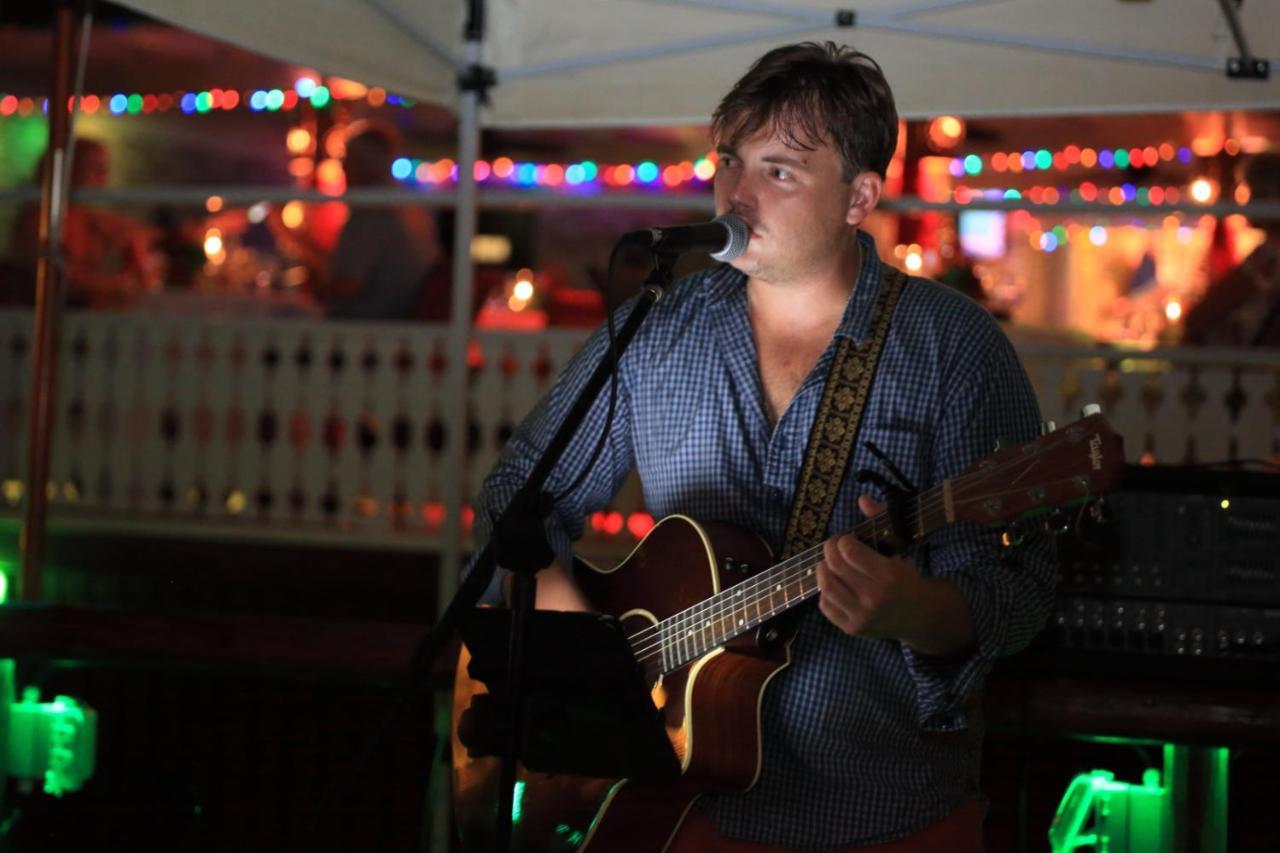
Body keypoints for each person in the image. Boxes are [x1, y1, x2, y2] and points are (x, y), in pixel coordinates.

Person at [469, 42, 1053, 850]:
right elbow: (517, 494)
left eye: (780, 171)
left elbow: (1018, 590)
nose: (738, 195)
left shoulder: (952, 348)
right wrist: (581, 641)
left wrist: (920, 611)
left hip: (881, 812)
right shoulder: (659, 328)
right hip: (676, 804)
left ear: (860, 197)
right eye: (730, 161)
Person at [276, 121, 444, 320]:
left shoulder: (372, 210)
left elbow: (347, 286)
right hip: (400, 322)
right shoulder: (406, 205)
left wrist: (314, 289)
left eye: (347, 160)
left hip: (373, 327)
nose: (343, 168)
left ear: (363, 165)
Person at [6, 138, 159, 308]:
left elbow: (133, 232)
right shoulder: (41, 218)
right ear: (68, 169)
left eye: (104, 170)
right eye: (94, 169)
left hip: (78, 311)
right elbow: (59, 278)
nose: (102, 177)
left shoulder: (89, 218)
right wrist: (115, 284)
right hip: (41, 313)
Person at [1182, 152, 1280, 348]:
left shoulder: (1268, 257)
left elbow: (1202, 314)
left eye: (1249, 192)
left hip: (1236, 372)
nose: (1244, 201)